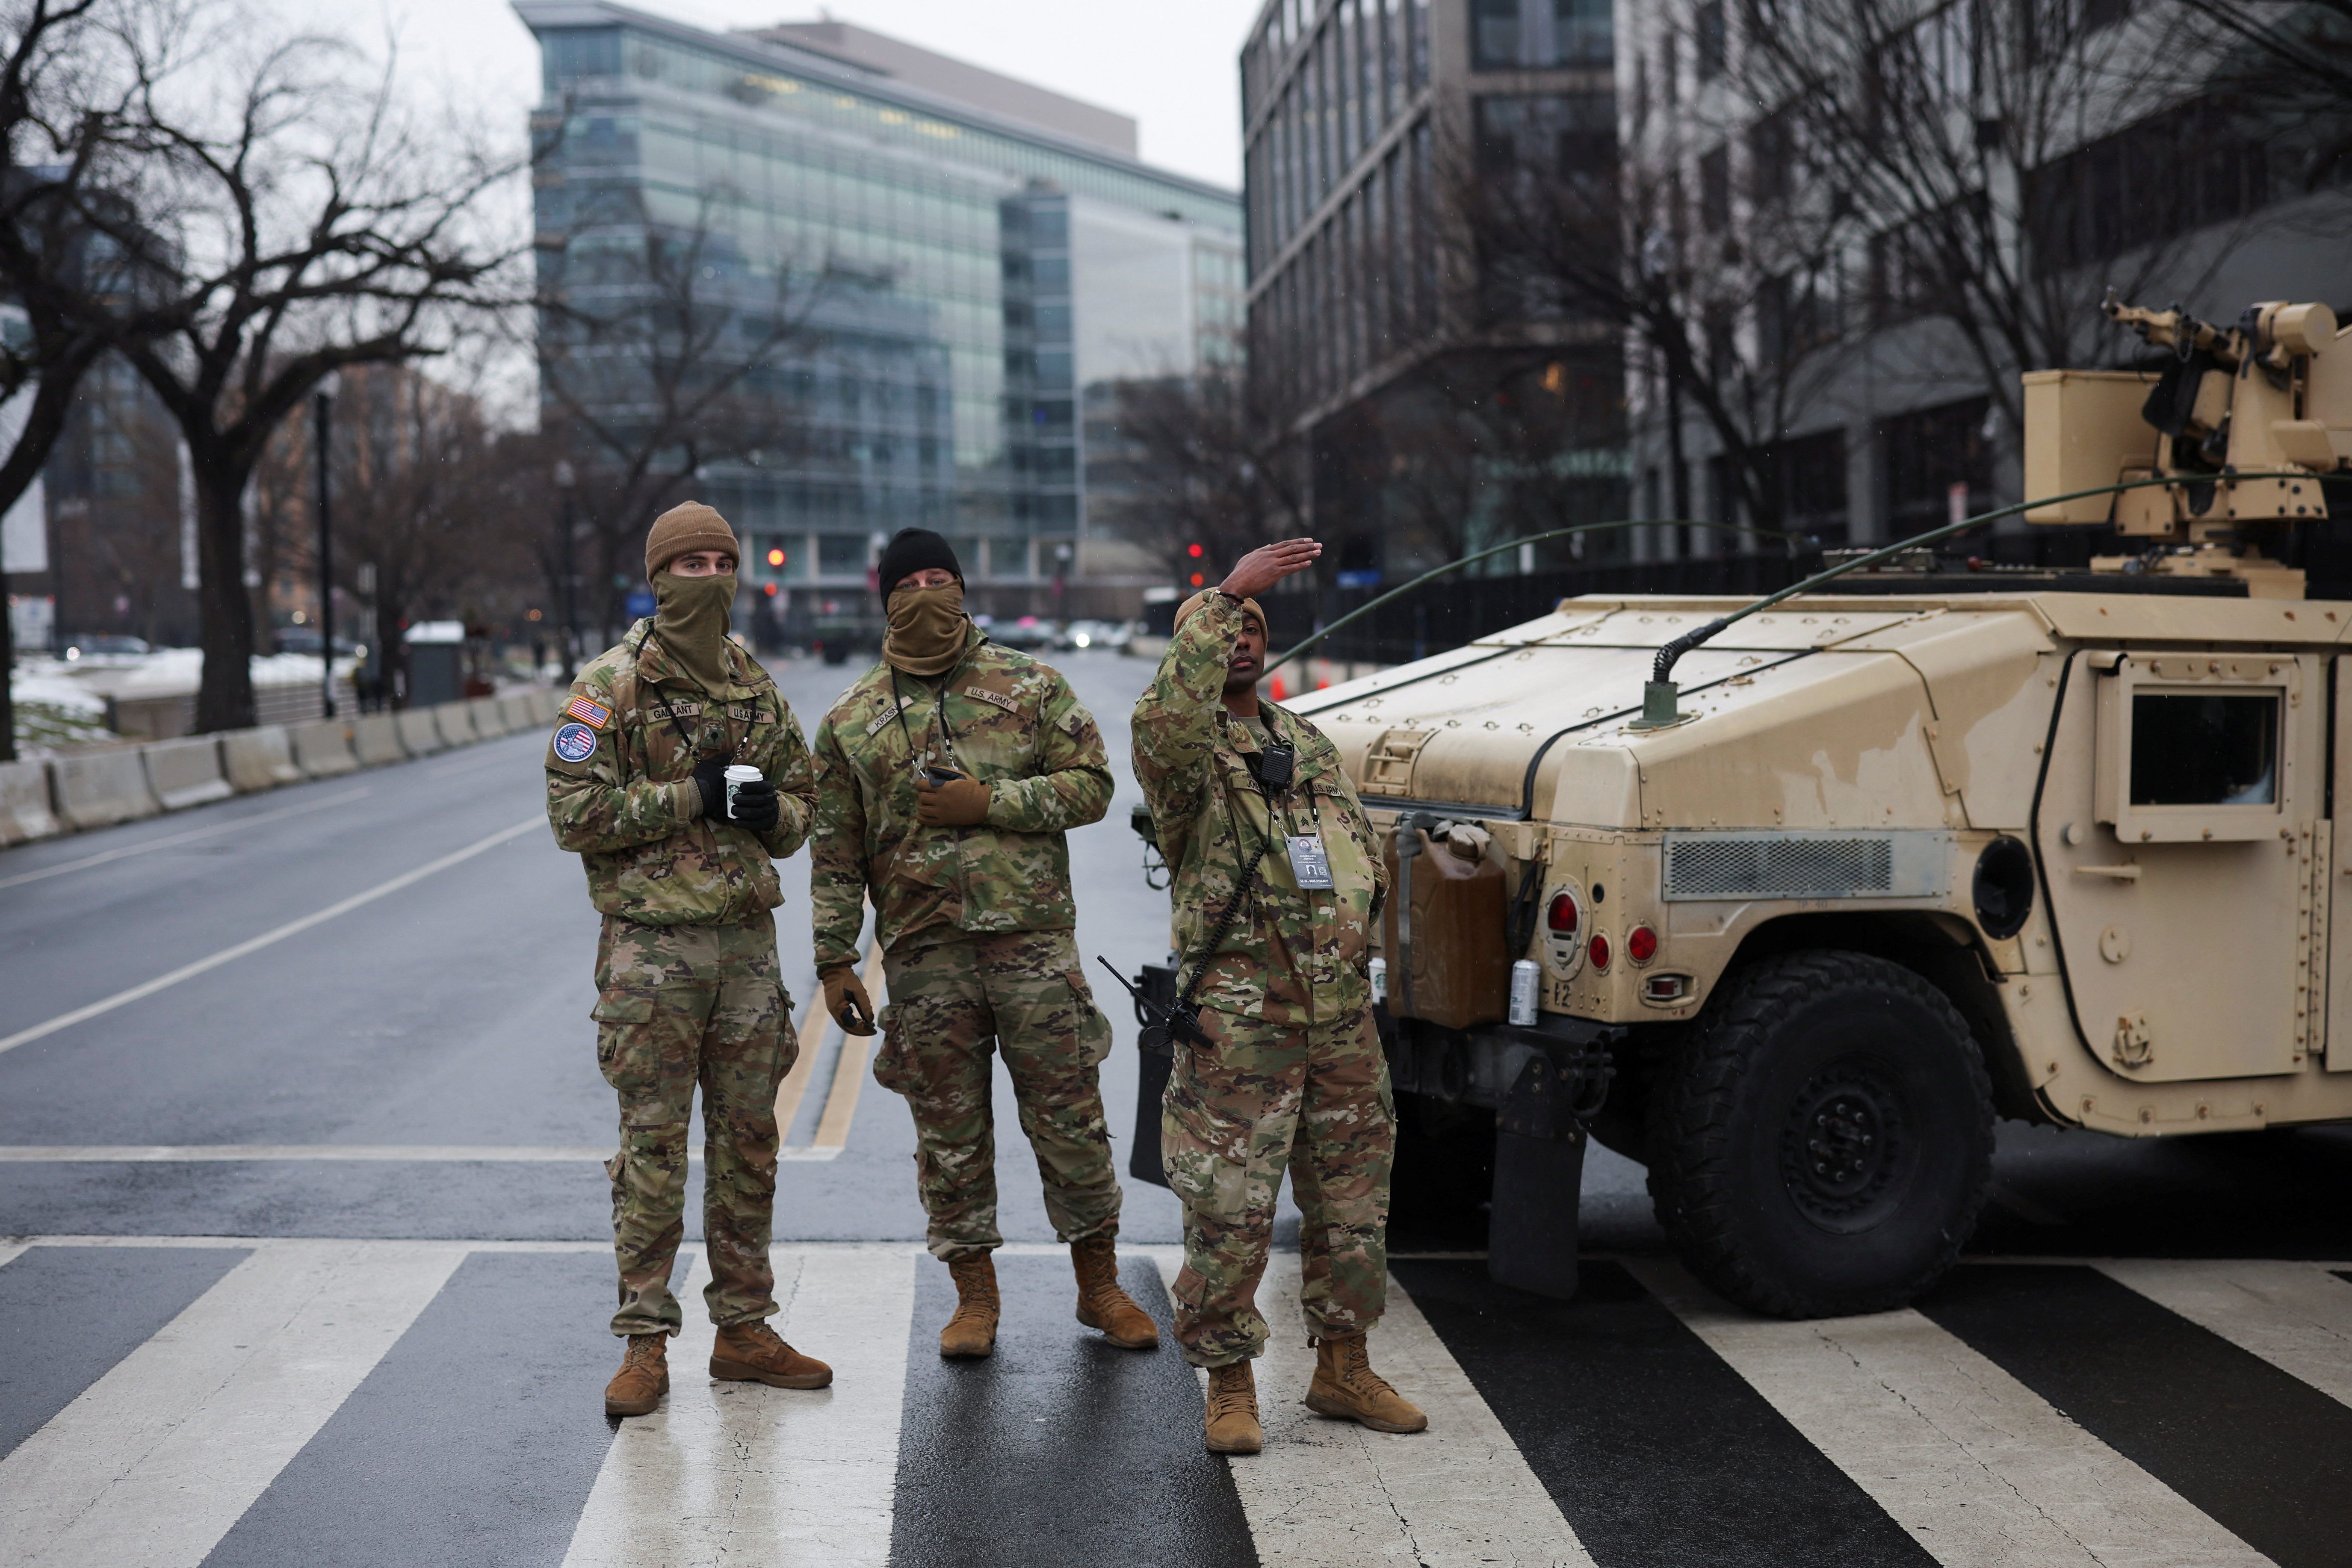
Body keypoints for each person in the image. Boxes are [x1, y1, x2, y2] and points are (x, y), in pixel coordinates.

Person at [809, 527, 1156, 1358]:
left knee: (1070, 1120)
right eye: (909, 583)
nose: (927, 594)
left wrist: (991, 801)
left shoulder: (1030, 685)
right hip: (923, 956)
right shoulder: (850, 720)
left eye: (940, 578)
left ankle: (1099, 1285)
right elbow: (835, 848)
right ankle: (974, 1297)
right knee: (949, 1136)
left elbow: (1093, 786)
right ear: (886, 599)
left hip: (1031, 948)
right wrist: (833, 957)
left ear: (963, 589)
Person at [1131, 538, 1428, 1455]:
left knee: (1351, 1201)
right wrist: (1224, 593)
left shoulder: (1303, 742)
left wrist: (1353, 937)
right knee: (1228, 1206)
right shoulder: (1184, 757)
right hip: (1241, 1023)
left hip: (1335, 1016)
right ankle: (1229, 1382)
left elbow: (1355, 846)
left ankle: (1344, 1366)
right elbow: (1162, 726)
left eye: (1254, 625)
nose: (1241, 638)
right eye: (1224, 627)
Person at [546, 500, 832, 1418]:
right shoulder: (610, 685)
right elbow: (573, 815)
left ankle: (744, 1329)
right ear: (658, 576)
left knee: (749, 1145)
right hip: (652, 952)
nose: (710, 578)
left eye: (722, 562)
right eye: (691, 564)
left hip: (745, 949)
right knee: (654, 1150)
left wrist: (773, 815)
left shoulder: (754, 685)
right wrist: (688, 798)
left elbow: (804, 803)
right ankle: (644, 1342)